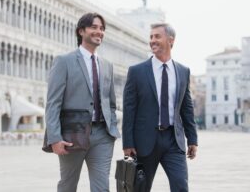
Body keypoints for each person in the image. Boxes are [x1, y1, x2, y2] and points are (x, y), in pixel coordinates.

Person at [44, 12, 120, 192]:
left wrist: (112, 129)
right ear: (81, 31)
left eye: (102, 29)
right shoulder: (64, 61)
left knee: (102, 187)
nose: (99, 32)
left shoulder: (107, 65)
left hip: (103, 135)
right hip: (72, 135)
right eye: (94, 27)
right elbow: (53, 103)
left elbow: (111, 103)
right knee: (68, 185)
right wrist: (55, 138)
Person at [122, 23, 198, 192]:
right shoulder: (137, 71)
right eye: (151, 37)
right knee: (140, 188)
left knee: (181, 186)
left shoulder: (183, 71)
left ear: (171, 40)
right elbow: (129, 109)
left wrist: (192, 139)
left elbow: (186, 108)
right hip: (145, 141)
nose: (152, 41)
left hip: (174, 141)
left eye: (157, 36)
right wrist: (127, 142)